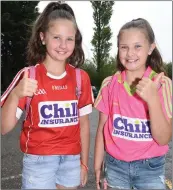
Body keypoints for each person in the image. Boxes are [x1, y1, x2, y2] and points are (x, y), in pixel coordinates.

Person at [1, 2, 93, 189]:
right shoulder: (28, 75)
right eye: (56, 37)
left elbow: (83, 124)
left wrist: (83, 163)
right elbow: (4, 128)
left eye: (69, 39)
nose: (63, 45)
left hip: (71, 161)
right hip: (38, 163)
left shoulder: (80, 77)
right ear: (43, 37)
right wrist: (16, 94)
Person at [94, 18, 172, 190]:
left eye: (137, 46)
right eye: (124, 47)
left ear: (151, 48)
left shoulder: (163, 84)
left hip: (150, 170)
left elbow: (164, 138)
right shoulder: (109, 84)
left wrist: (152, 100)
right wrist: (97, 165)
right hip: (115, 168)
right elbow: (101, 128)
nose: (130, 53)